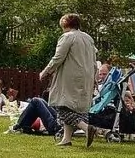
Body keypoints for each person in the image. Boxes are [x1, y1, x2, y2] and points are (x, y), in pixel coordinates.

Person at [38, 13, 97, 147]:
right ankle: (66, 138)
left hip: (70, 76)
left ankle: (85, 127)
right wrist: (94, 77)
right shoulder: (88, 38)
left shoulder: (67, 37)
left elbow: (58, 58)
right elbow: (94, 60)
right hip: (86, 76)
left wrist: (45, 71)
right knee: (74, 107)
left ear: (65, 23)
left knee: (61, 105)